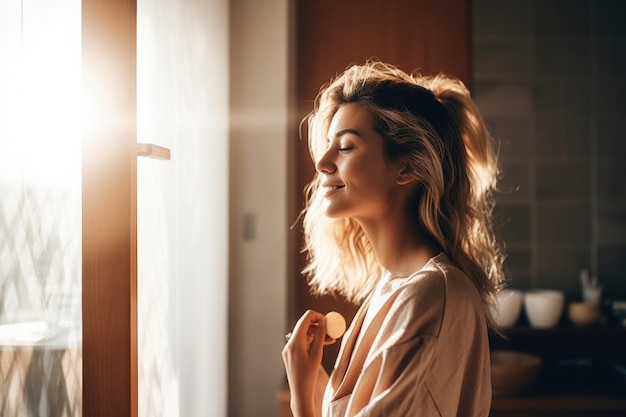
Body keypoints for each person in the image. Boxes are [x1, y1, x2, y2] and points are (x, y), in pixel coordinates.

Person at [282, 60, 505, 417]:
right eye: (328, 145)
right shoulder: (392, 288)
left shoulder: (431, 297)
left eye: (346, 147)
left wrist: (299, 399)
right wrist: (312, 381)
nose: (323, 162)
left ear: (407, 167)